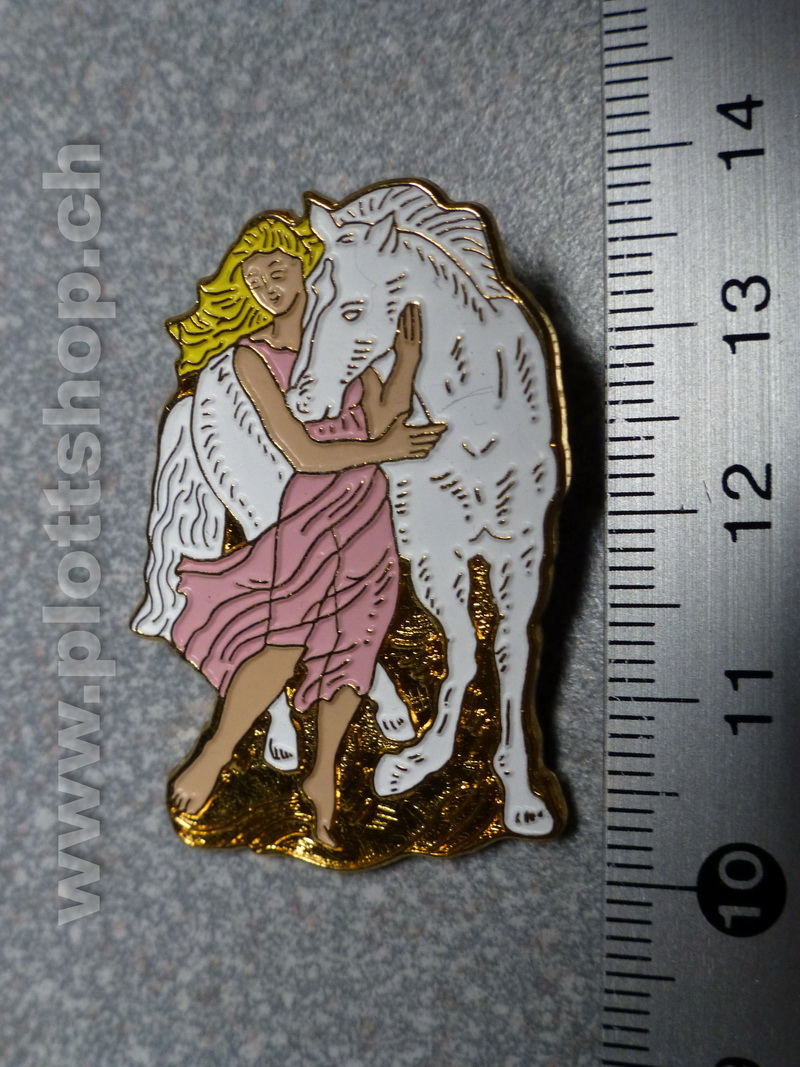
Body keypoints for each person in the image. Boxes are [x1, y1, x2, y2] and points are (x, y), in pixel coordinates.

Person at [165, 213, 445, 846]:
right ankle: (215, 754)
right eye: (255, 279)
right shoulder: (253, 356)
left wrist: (405, 361)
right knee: (286, 637)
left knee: (356, 642)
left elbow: (383, 418)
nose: (268, 286)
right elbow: (303, 453)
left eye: (278, 270)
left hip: (368, 509)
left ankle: (324, 775)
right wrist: (389, 451)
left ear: (307, 270)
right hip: (313, 507)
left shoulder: (345, 336)